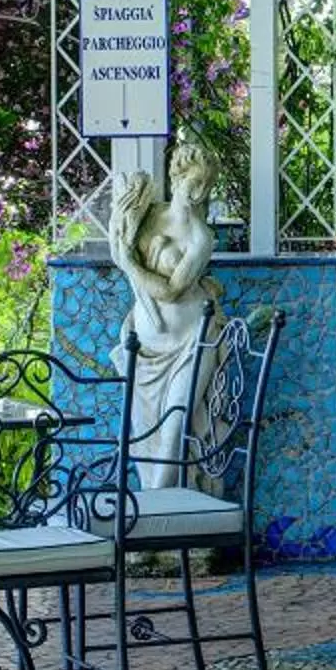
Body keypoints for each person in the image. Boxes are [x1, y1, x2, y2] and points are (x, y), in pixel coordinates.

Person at [109, 140, 222, 490]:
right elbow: (118, 244)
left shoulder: (202, 238)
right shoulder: (147, 217)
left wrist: (128, 262)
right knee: (146, 437)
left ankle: (152, 522)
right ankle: (164, 521)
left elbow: (172, 291)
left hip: (193, 344)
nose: (199, 192)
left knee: (175, 427)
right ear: (177, 176)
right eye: (194, 181)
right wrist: (119, 231)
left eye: (206, 186)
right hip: (146, 351)